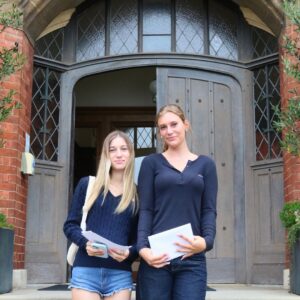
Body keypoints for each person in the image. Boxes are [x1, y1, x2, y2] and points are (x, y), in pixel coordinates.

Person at [136, 104, 218, 300]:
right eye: (163, 127)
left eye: (174, 124)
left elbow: (208, 209)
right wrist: (142, 249)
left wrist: (206, 242)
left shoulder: (206, 165)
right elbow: (145, 209)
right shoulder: (151, 163)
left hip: (191, 259)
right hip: (156, 257)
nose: (169, 131)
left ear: (186, 125)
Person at [63, 130, 138, 300]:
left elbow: (138, 239)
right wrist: (85, 243)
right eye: (112, 150)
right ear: (106, 155)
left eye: (124, 149)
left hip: (120, 275)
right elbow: (70, 225)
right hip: (86, 271)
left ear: (131, 153)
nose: (118, 154)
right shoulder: (88, 185)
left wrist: (130, 253)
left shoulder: (137, 195)